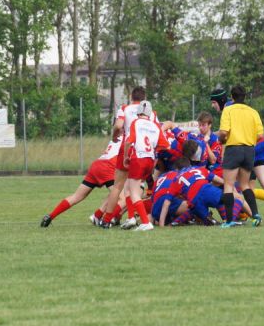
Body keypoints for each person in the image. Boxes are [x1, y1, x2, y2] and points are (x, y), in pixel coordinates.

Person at [99, 87, 158, 228]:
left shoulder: (125, 108)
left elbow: (118, 125)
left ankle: (107, 219)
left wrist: (114, 137)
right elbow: (157, 130)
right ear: (145, 98)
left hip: (128, 149)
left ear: (131, 96)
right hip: (145, 153)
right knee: (134, 187)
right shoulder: (152, 114)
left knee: (118, 187)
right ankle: (131, 217)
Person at [40, 137, 124, 227]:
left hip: (97, 165)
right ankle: (106, 220)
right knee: (122, 196)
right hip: (107, 167)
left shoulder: (118, 137)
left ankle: (50, 216)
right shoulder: (129, 137)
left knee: (76, 196)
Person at [217, 85, 262, 228]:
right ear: (245, 96)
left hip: (233, 149)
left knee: (228, 185)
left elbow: (223, 132)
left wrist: (221, 140)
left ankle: (229, 221)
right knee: (245, 185)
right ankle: (255, 214)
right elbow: (260, 135)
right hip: (249, 150)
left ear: (232, 97)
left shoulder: (228, 110)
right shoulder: (253, 112)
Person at [121, 100, 169, 231]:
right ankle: (131, 218)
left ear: (138, 112)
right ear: (150, 113)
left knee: (134, 193)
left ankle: (145, 222)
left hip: (139, 158)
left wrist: (126, 156)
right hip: (150, 161)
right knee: (127, 188)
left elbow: (128, 142)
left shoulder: (135, 123)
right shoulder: (155, 126)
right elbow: (165, 145)